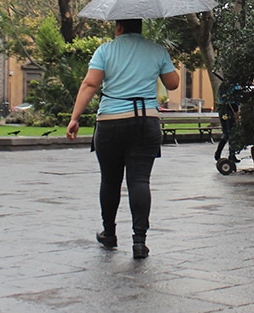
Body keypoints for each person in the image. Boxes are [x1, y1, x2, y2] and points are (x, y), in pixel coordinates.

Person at [67, 19, 179, 259]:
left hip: (110, 122)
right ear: (140, 27)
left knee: (109, 180)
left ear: (118, 27)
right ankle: (139, 241)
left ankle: (109, 233)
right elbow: (173, 83)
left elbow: (90, 83)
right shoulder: (157, 50)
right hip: (145, 121)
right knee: (139, 181)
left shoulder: (105, 50)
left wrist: (75, 118)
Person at [214, 82, 241, 163]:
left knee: (226, 133)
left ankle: (219, 153)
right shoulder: (234, 86)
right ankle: (231, 155)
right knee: (231, 132)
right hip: (229, 109)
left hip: (223, 109)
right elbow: (237, 99)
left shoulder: (223, 86)